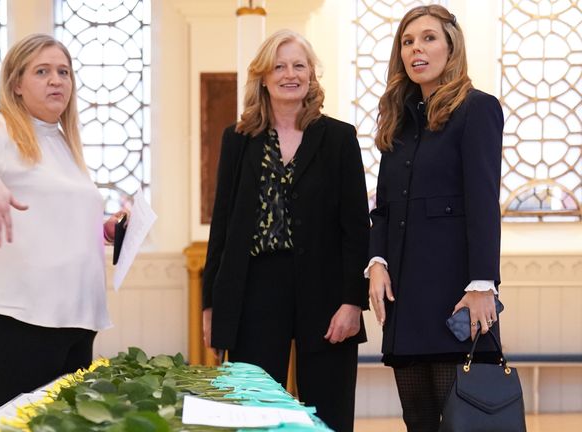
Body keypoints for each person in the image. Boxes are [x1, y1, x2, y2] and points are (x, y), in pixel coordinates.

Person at [0, 34, 124, 411]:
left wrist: (102, 230)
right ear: (16, 84)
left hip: (75, 314)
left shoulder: (63, 143)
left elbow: (46, 218)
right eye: (42, 71)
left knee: (66, 423)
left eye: (64, 72)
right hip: (19, 318)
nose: (56, 80)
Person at [202, 29, 369, 432]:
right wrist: (212, 304)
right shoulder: (238, 140)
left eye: (299, 65)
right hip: (254, 289)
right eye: (279, 66)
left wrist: (352, 302)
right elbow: (222, 226)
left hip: (325, 291)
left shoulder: (339, 138)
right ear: (262, 76)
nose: (289, 74)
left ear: (312, 75)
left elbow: (356, 227)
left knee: (328, 410)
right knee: (255, 410)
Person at [367, 5, 504, 432]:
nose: (416, 49)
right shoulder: (398, 120)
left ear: (451, 46)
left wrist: (483, 283)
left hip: (455, 294)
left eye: (428, 38)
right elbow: (384, 206)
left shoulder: (477, 109)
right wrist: (376, 263)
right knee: (419, 420)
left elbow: (484, 201)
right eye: (407, 42)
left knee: (463, 422)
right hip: (404, 296)